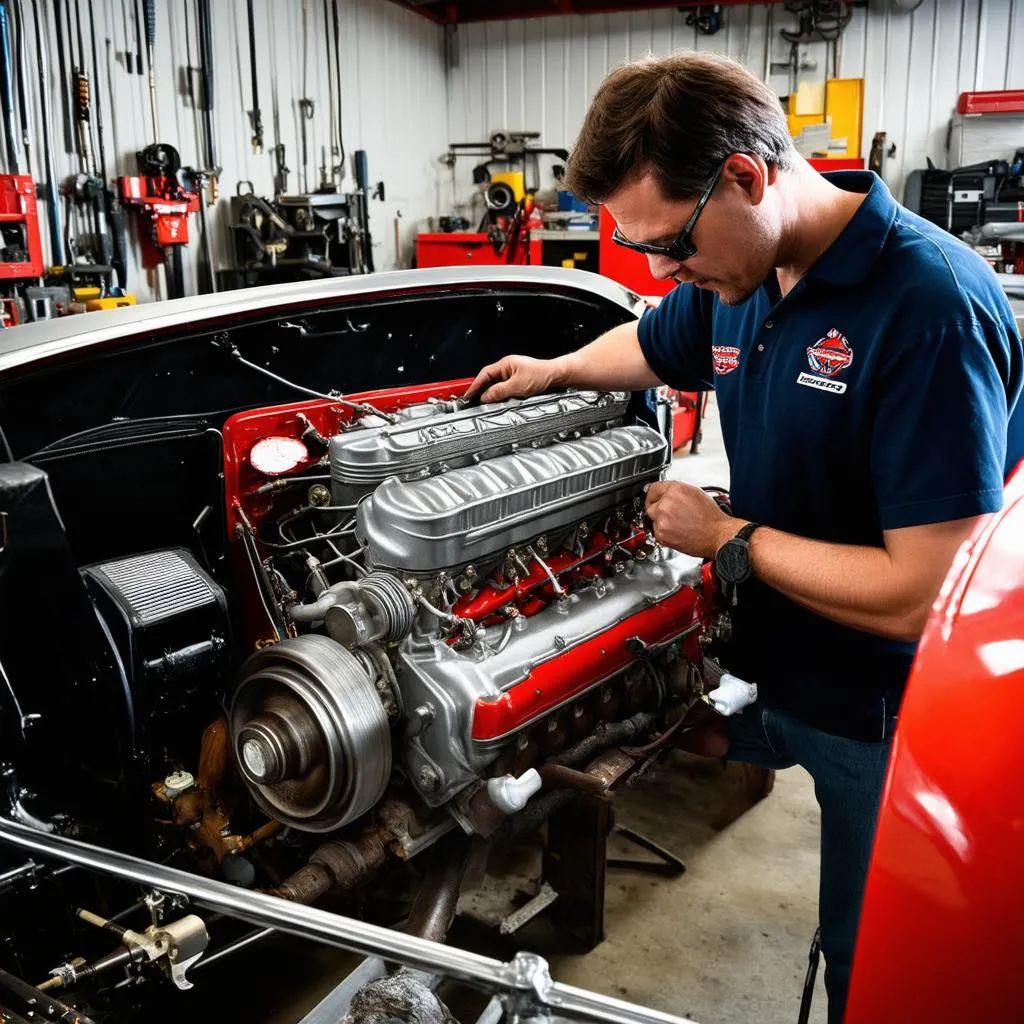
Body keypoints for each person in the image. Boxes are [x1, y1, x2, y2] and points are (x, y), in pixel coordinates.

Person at [465, 52, 1024, 1024]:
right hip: (795, 662)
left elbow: (928, 591)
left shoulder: (928, 310)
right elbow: (651, 340)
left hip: (888, 708)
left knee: (872, 960)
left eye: (668, 248)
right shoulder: (741, 274)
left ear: (746, 176)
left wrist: (727, 535)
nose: (661, 274)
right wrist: (554, 372)